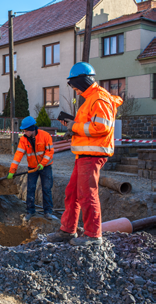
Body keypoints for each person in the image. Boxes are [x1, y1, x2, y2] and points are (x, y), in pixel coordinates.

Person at [47, 62, 123, 246]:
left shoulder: (99, 99)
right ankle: (67, 230)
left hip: (92, 156)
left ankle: (93, 235)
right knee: (72, 193)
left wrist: (74, 126)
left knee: (87, 194)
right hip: (84, 155)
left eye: (73, 84)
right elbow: (90, 126)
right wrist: (75, 128)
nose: (74, 89)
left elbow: (102, 128)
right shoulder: (90, 99)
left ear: (81, 80)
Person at [7, 116, 54, 221]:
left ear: (32, 129)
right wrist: (12, 170)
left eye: (26, 130)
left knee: (46, 189)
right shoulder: (24, 139)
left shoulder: (45, 136)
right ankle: (30, 211)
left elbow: (49, 152)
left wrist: (42, 164)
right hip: (32, 167)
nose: (24, 132)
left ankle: (48, 212)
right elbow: (18, 155)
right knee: (30, 189)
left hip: (45, 167)